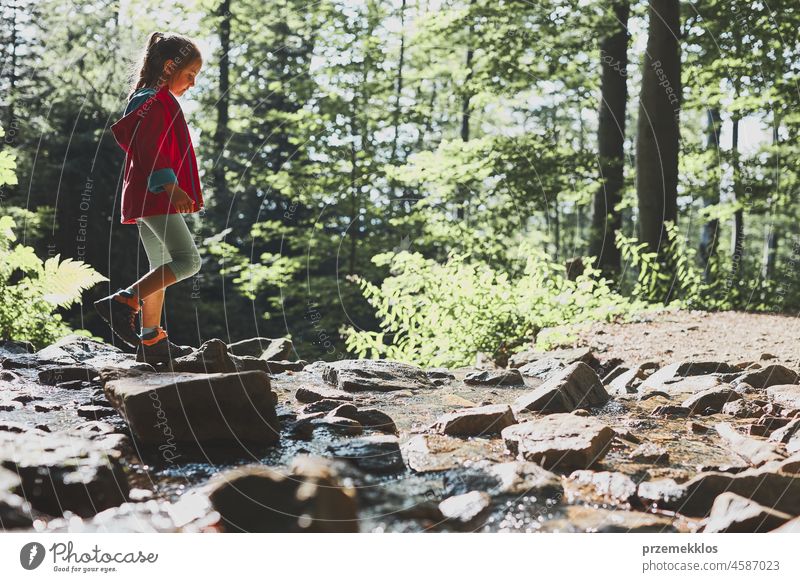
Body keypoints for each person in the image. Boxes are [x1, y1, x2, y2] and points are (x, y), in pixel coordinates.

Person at [94, 31, 205, 364]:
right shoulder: (153, 99)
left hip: (146, 195)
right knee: (188, 261)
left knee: (160, 266)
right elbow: (149, 147)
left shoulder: (150, 98)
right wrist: (171, 187)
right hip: (155, 195)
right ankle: (124, 301)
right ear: (170, 67)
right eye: (190, 75)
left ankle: (151, 340)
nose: (193, 84)